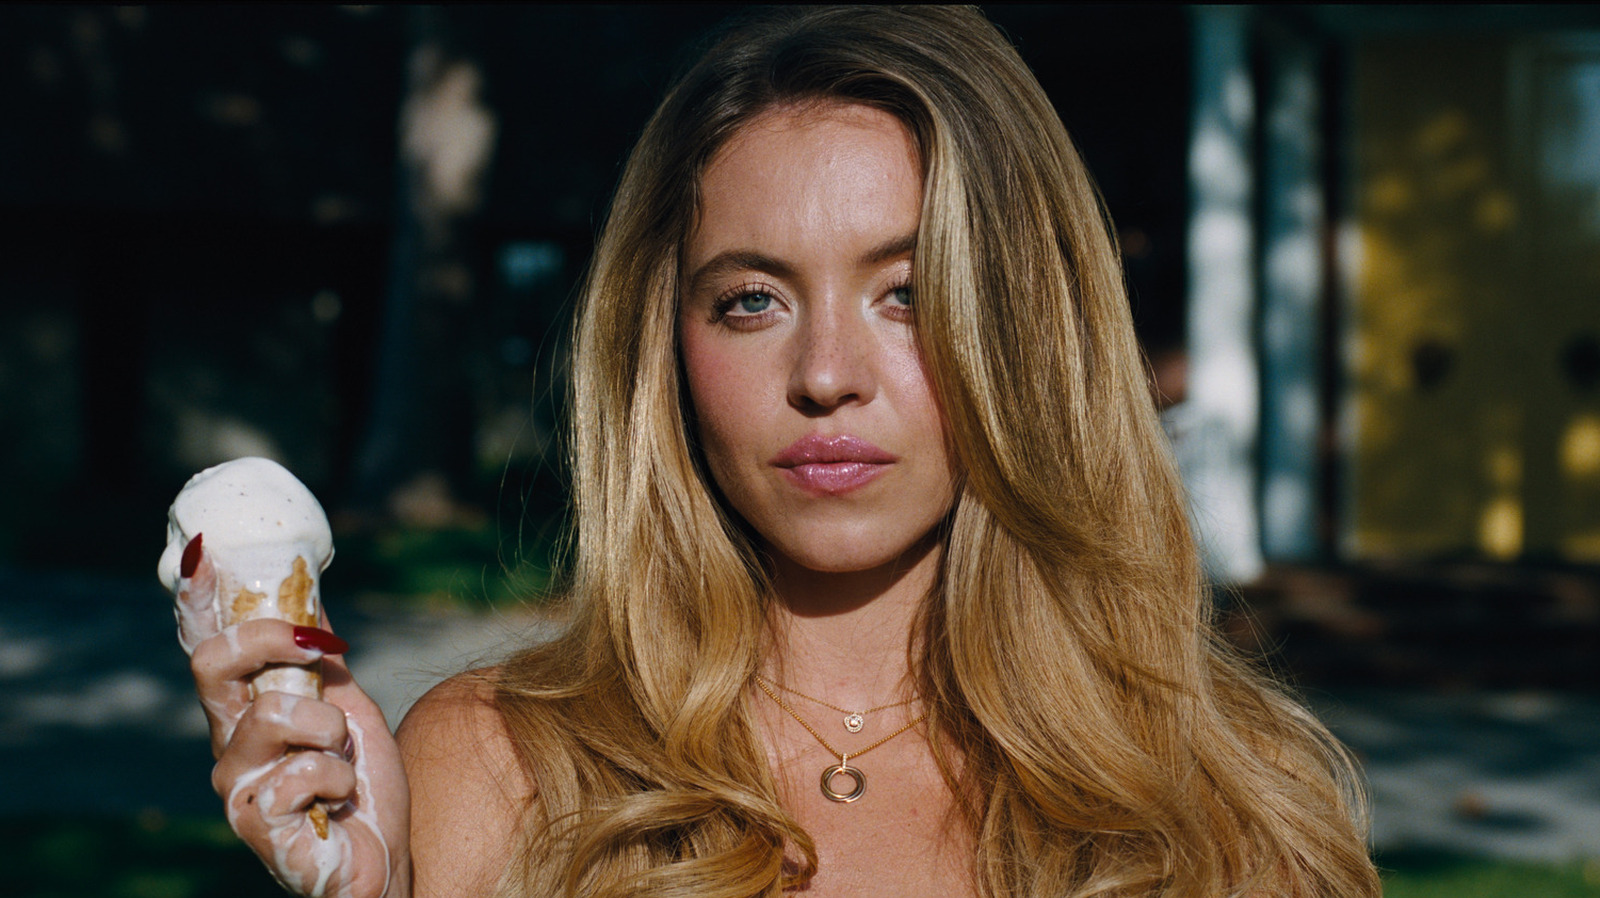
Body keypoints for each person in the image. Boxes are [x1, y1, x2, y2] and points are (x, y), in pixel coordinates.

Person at [187, 7, 1381, 897]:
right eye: (751, 300)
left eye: (908, 292)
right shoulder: (494, 765)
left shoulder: (1233, 808)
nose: (823, 374)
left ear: (1028, 327)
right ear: (667, 344)